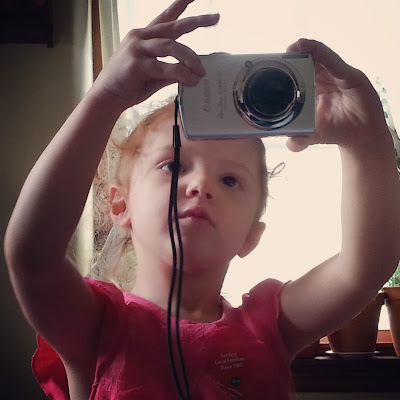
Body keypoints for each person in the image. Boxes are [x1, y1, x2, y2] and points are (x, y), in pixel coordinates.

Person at [4, 0, 400, 399]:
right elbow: (33, 255)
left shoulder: (271, 326)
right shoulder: (96, 326)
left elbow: (364, 268)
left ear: (251, 235)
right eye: (173, 166)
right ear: (120, 205)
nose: (201, 185)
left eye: (230, 180)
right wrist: (105, 97)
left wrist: (365, 137)